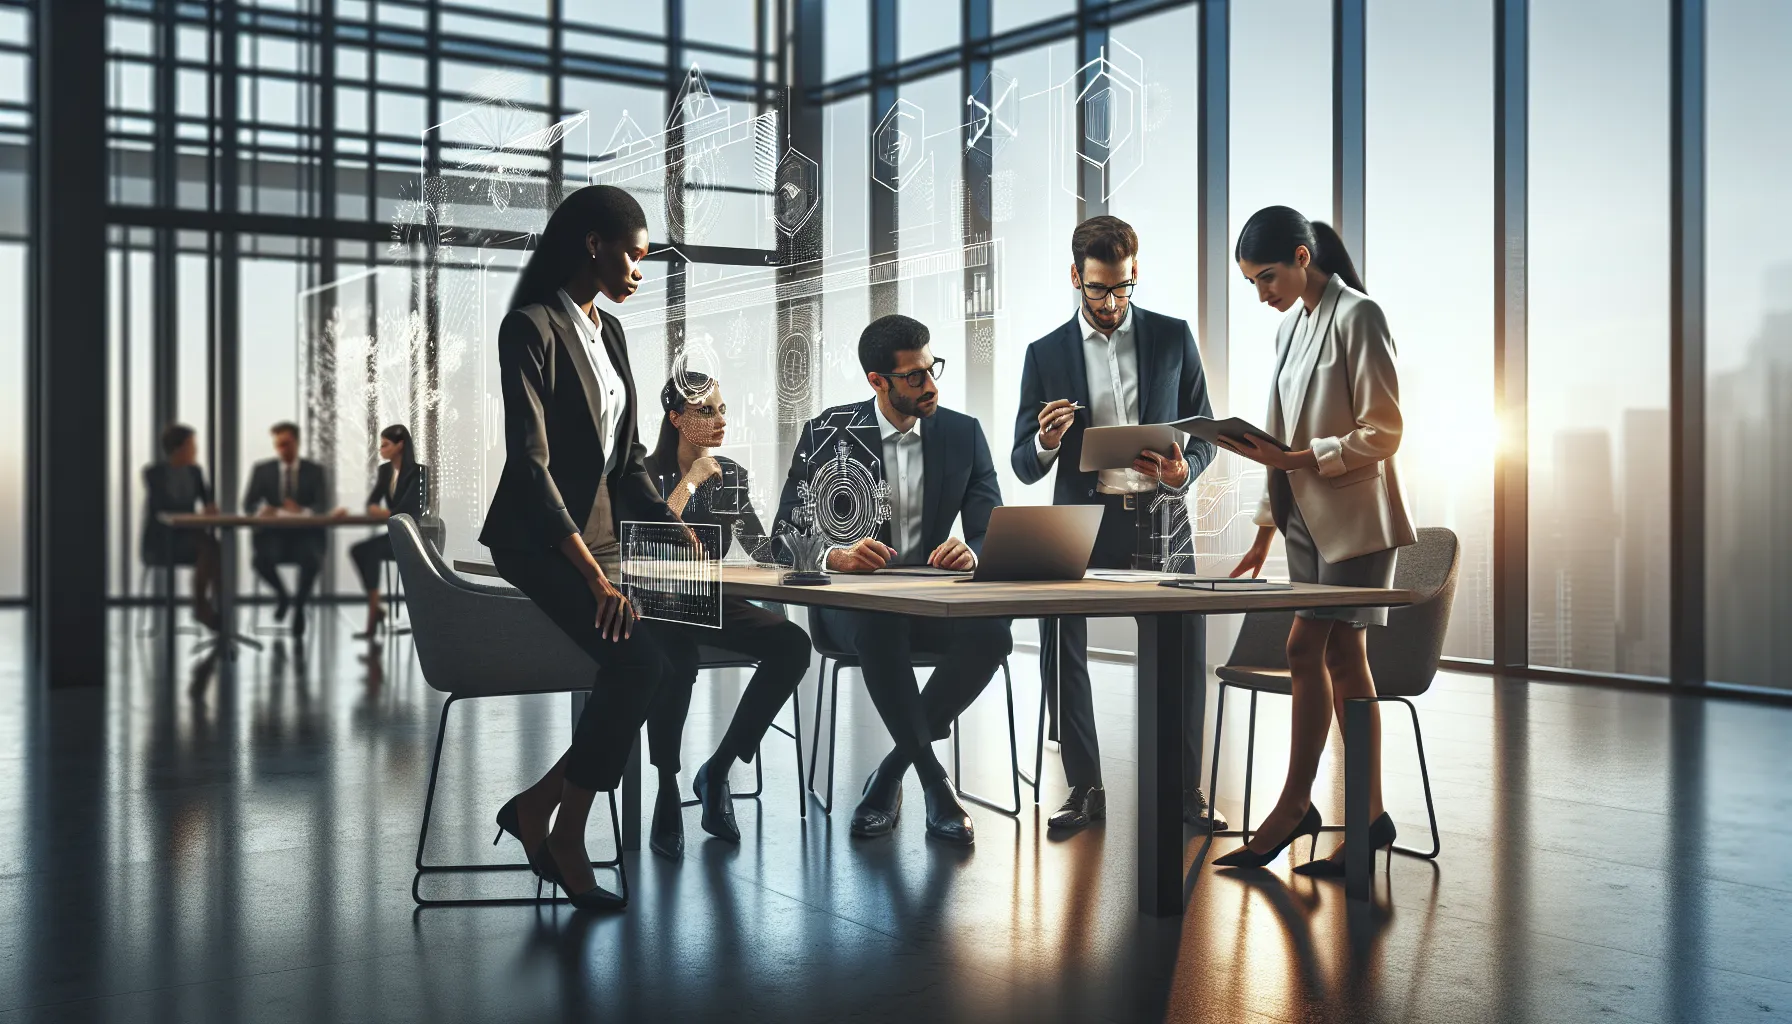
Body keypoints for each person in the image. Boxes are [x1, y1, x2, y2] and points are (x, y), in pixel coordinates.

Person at [480, 184, 678, 912]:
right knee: (639, 664)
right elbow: (530, 467)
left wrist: (675, 530)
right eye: (633, 255)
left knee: (657, 665)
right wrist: (596, 579)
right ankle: (566, 832)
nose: (639, 271)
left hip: (601, 539)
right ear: (593, 245)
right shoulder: (529, 327)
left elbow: (627, 462)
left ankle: (536, 805)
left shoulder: (611, 332)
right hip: (539, 539)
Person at [1214, 205, 1415, 873]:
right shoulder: (1289, 328)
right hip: (1303, 519)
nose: (1261, 294)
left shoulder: (1359, 316)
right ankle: (1363, 819)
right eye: (1251, 283)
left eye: (1267, 277)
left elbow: (1384, 432)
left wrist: (1303, 460)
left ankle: (1301, 808)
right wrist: (1265, 531)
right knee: (1335, 656)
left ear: (1303, 258)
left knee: (1315, 647)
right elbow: (1277, 437)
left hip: (1353, 519)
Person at [1010, 215, 1223, 834]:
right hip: (1082, 520)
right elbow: (1023, 462)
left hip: (1160, 516)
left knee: (1184, 649)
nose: (1110, 302)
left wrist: (1183, 471)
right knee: (1061, 643)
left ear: (1135, 273)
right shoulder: (1045, 354)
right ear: (1075, 277)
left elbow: (1205, 432)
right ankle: (1084, 787)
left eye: (1123, 287)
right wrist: (1047, 442)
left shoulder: (1172, 337)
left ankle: (1184, 791)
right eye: (1099, 288)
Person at [774, 314, 1010, 847]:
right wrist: (835, 555)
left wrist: (972, 551)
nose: (930, 386)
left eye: (931, 369)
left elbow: (988, 528)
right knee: (880, 627)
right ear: (877, 381)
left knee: (994, 632)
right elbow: (783, 534)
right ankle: (936, 786)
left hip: (930, 603)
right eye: (914, 377)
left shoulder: (963, 434)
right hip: (856, 610)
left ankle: (890, 771)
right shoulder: (828, 433)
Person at [640, 371, 811, 858]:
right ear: (676, 419)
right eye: (706, 411)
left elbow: (760, 547)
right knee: (677, 662)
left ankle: (717, 770)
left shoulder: (730, 474)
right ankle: (667, 787)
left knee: (793, 645)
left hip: (709, 602)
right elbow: (647, 538)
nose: (720, 420)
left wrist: (817, 548)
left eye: (722, 410)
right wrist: (691, 480)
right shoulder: (643, 472)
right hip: (656, 605)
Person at [242, 421, 340, 638]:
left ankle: (299, 607)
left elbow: (323, 505)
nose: (282, 449)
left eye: (286, 444)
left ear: (296, 443)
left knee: (312, 559)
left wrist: (302, 511)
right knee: (260, 560)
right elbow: (248, 504)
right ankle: (283, 596)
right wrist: (263, 509)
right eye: (278, 445)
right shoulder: (263, 470)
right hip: (273, 536)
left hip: (305, 536)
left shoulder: (314, 471)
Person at [347, 424, 429, 639]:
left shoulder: (419, 472)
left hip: (411, 537)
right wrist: (382, 511)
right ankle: (376, 607)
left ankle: (373, 615)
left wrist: (384, 512)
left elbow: (409, 510)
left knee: (370, 552)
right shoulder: (385, 471)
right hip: (393, 534)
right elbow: (372, 502)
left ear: (400, 445)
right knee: (359, 550)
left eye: (385, 445)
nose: (381, 449)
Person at [141, 423, 222, 632]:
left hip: (190, 536)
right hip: (162, 540)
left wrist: (210, 508)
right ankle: (202, 606)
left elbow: (208, 500)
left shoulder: (196, 472)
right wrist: (197, 515)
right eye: (192, 445)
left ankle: (209, 606)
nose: (195, 450)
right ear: (178, 448)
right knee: (209, 548)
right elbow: (162, 509)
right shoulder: (153, 473)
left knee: (214, 548)